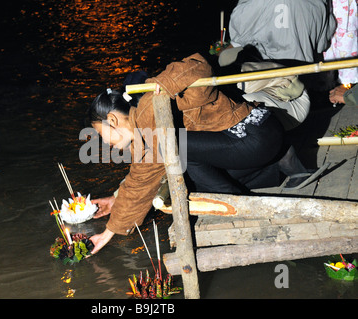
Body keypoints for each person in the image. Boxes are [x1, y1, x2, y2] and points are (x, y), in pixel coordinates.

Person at [87, 53, 327, 254]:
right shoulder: (144, 128)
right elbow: (140, 179)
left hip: (254, 138)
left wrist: (164, 84)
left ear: (112, 119)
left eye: (101, 135)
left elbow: (199, 65)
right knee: (189, 171)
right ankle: (276, 166)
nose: (106, 144)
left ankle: (240, 206)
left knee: (175, 151)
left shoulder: (150, 107)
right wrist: (111, 222)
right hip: (263, 134)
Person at [229, 0, 336, 63]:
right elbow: (322, 45)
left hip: (275, 80)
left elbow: (238, 37)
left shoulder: (260, 3)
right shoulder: (319, 3)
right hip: (308, 78)